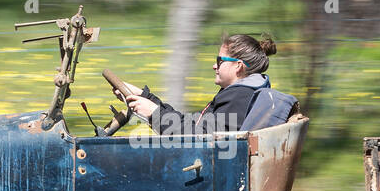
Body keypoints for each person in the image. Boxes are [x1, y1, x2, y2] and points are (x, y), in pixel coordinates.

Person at [118, 34, 292, 135]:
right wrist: (144, 97)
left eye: (220, 60)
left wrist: (154, 114)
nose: (214, 65)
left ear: (238, 66)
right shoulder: (239, 92)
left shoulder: (240, 98)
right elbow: (194, 123)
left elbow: (199, 139)